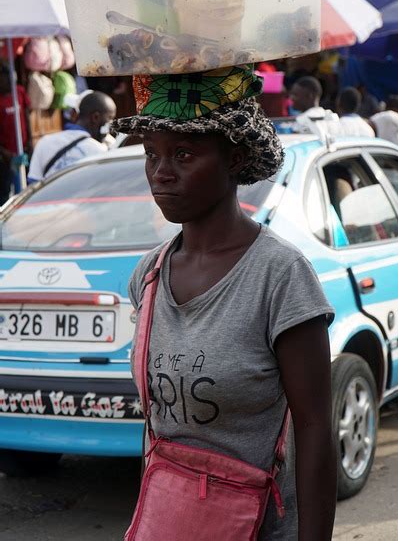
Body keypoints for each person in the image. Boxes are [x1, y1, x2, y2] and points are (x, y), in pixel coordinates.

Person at [114, 67, 337, 540]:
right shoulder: (149, 276)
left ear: (235, 160)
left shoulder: (279, 276)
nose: (161, 172)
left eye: (183, 154)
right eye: (151, 155)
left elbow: (316, 426)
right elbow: (159, 433)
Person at [28, 90, 116, 182]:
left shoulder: (45, 142)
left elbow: (33, 184)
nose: (111, 124)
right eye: (110, 118)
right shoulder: (101, 152)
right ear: (95, 117)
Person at [0, 62, 31, 205]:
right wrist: (4, 152)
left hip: (22, 149)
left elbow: (26, 116)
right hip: (5, 157)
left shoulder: (19, 92)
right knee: (6, 191)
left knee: (26, 189)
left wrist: (29, 140)